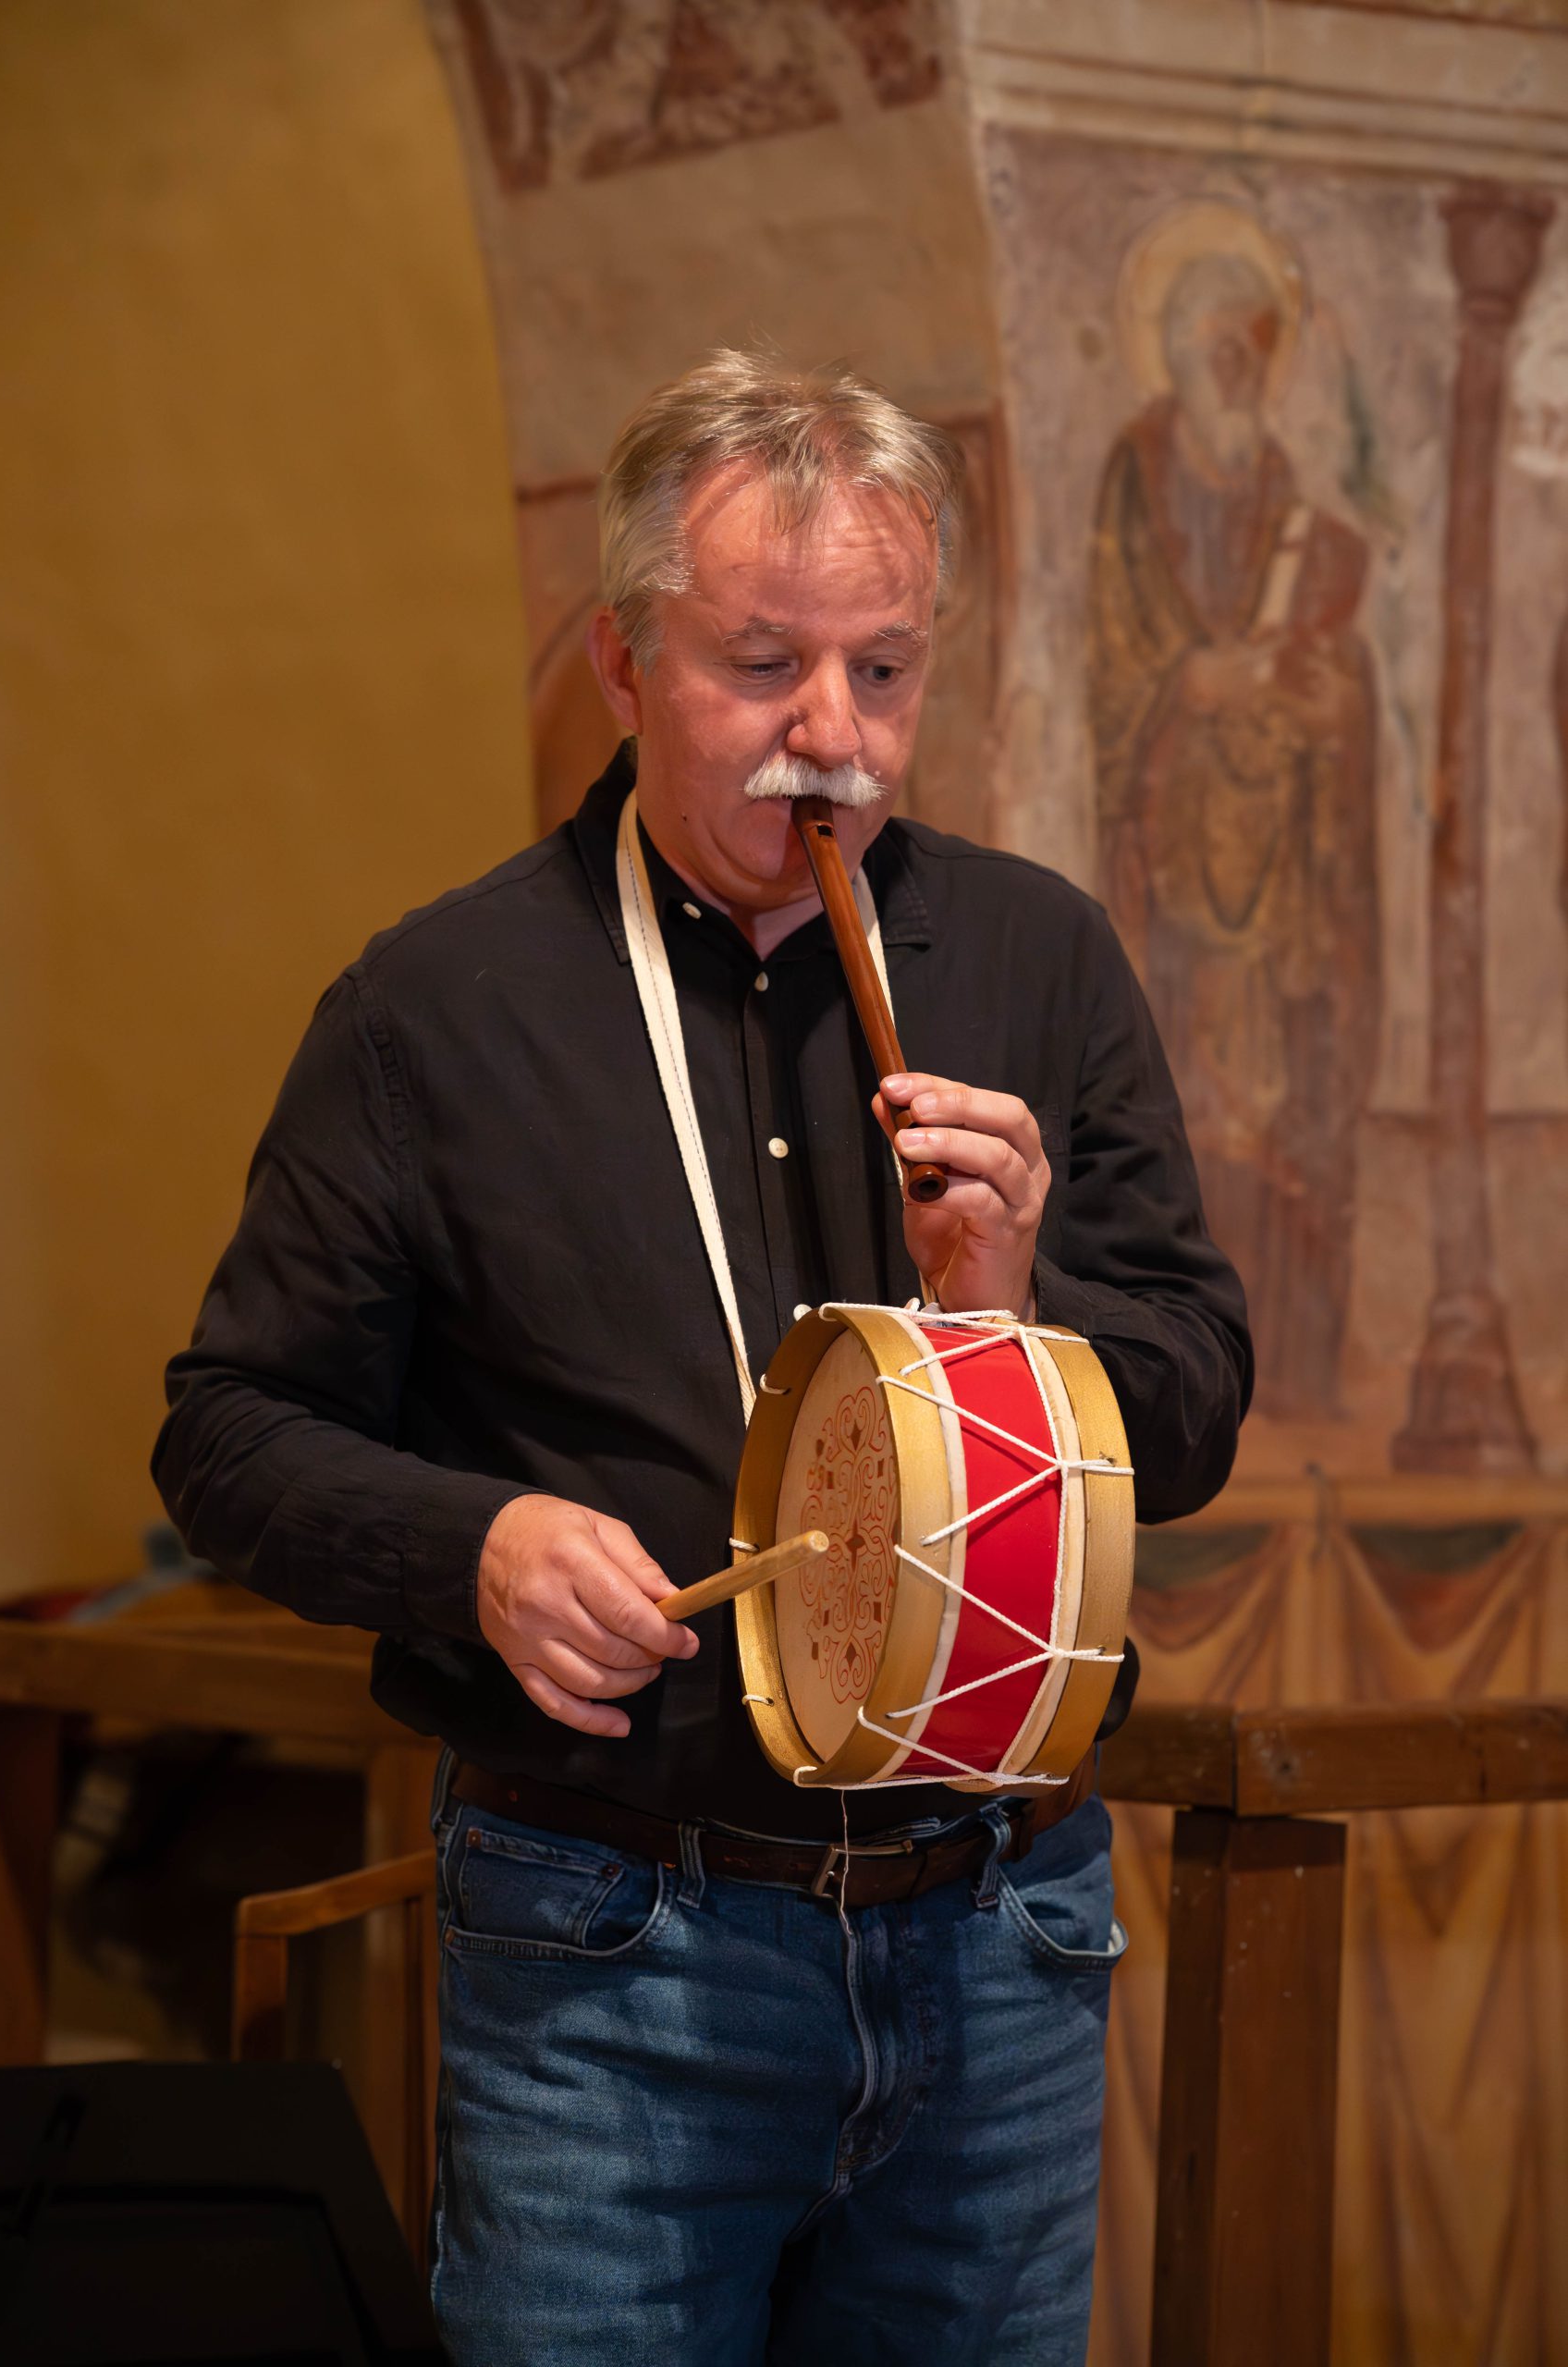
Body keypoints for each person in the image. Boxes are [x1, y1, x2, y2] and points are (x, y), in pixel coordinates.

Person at [154, 351, 1250, 2366]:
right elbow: (225, 1435)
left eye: (883, 672)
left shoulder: (1037, 955)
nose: (831, 736)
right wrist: (472, 1549)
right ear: (621, 659)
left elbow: (1186, 1414)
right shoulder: (434, 1007)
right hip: (611, 1940)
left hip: (999, 1932)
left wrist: (1017, 1311)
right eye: (762, 665)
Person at [1089, 245, 1378, 1421]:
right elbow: (1120, 655)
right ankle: (1178, 1388)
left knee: (1288, 1103)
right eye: (1217, 351)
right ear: (1177, 353)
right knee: (1190, 1109)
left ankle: (1292, 1379)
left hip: (1285, 871)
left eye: (1254, 353)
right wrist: (1189, 684)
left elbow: (1330, 662)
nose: (1237, 374)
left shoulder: (1290, 498)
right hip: (1177, 860)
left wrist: (1326, 703)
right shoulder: (1137, 478)